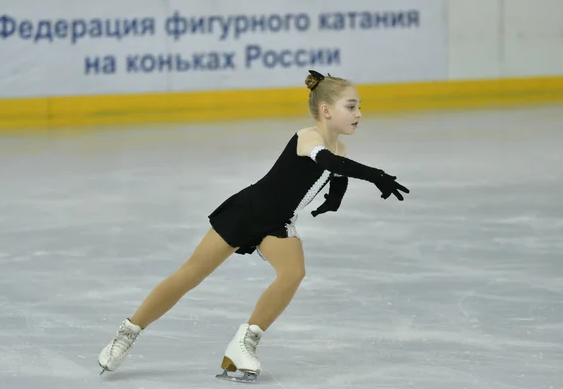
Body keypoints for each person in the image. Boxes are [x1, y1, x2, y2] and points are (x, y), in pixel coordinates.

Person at [96, 69, 410, 383]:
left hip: (277, 222)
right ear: (327, 111)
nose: (359, 113)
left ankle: (242, 345)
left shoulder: (341, 149)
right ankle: (127, 333)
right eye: (351, 106)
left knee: (293, 273)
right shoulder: (308, 137)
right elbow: (329, 164)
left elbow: (337, 177)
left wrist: (333, 201)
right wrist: (377, 175)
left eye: (358, 106)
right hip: (248, 212)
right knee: (191, 274)